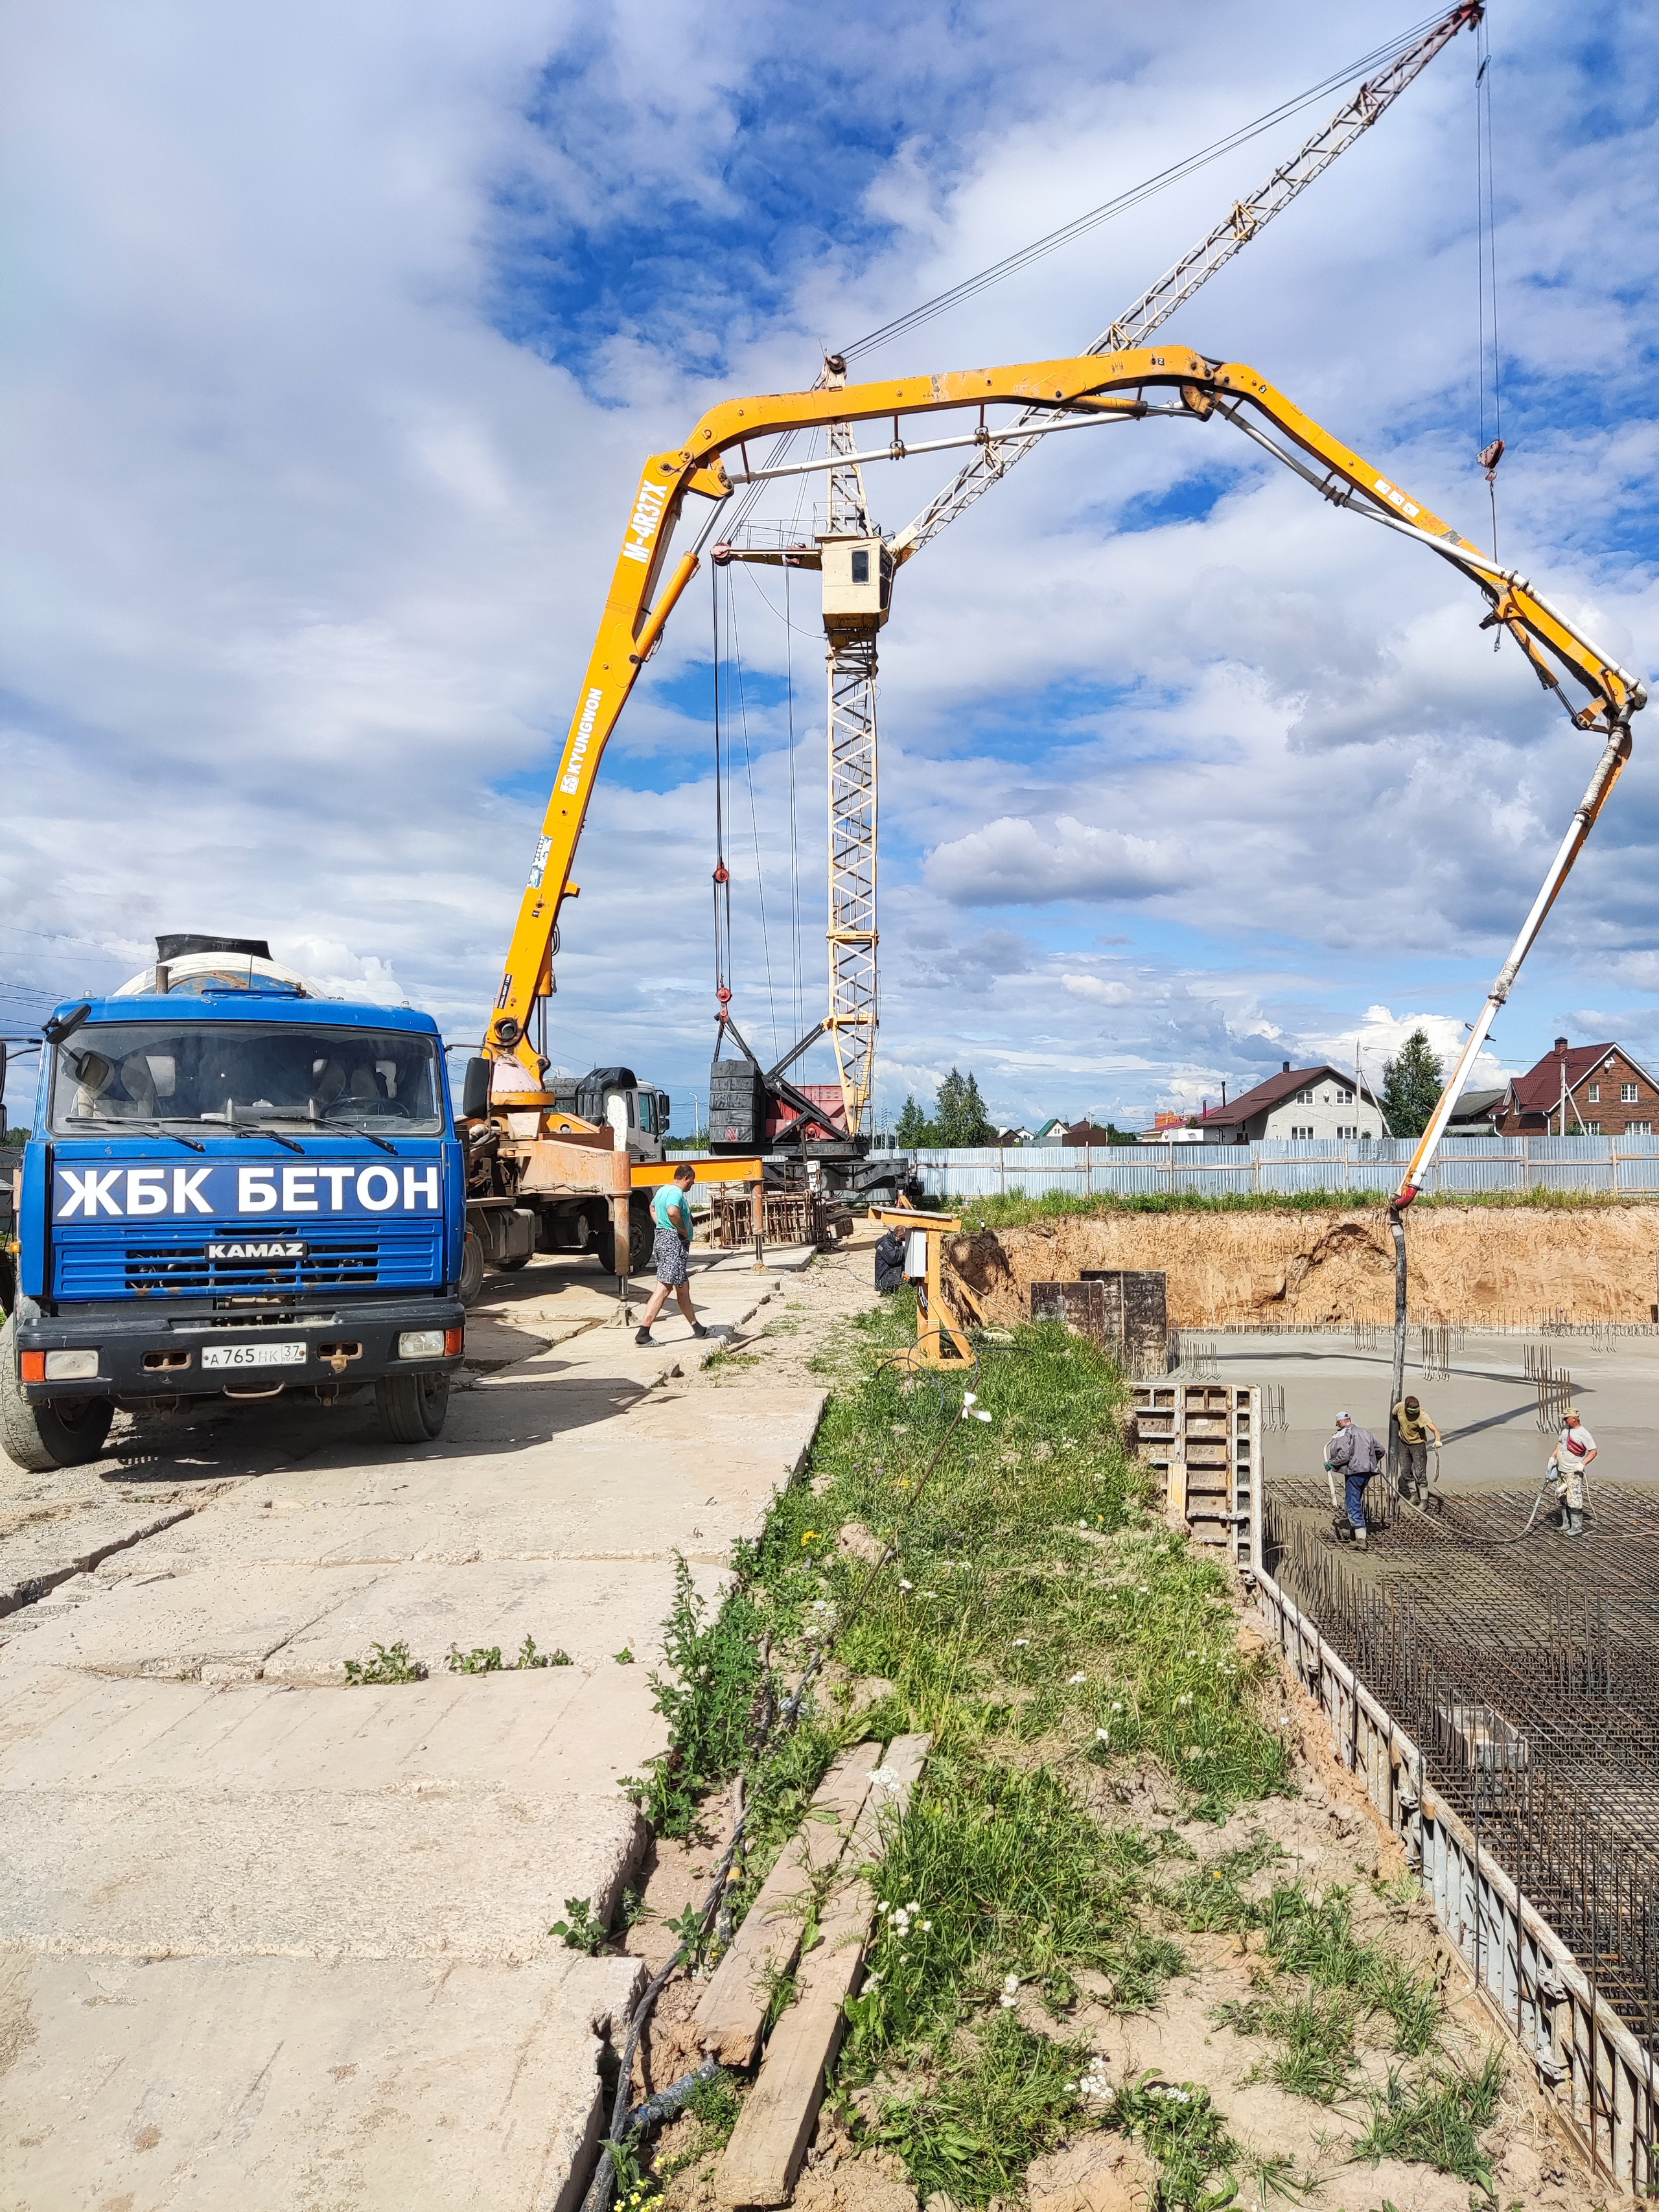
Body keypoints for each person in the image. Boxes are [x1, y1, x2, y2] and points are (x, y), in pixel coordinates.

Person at [635, 1163, 708, 1347]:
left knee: (682, 1288)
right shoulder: (676, 1193)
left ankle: (697, 1328)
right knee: (665, 1287)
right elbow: (672, 1211)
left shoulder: (662, 1191)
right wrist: (681, 1230)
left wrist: (661, 1225)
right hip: (673, 1243)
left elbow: (652, 1207)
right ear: (687, 1178)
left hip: (664, 1239)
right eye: (693, 1180)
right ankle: (644, 1333)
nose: (693, 1184)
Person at [1326, 1409, 1384, 1546]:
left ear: (1340, 1422)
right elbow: (1381, 1450)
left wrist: (1331, 1464)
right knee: (1356, 1498)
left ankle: (1360, 1538)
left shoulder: (1344, 1434)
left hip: (1355, 1472)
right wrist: (1370, 1462)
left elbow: (1344, 1455)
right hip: (1367, 1472)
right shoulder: (1365, 1432)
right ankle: (1355, 1530)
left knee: (1353, 1502)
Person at [1546, 1406, 1597, 1537]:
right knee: (1562, 1497)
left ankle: (1576, 1527)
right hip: (1561, 1470)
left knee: (1574, 1498)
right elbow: (1561, 1444)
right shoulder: (1565, 1430)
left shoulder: (1584, 1434)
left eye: (1566, 1418)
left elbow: (1593, 1452)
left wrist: (1582, 1464)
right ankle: (1566, 1524)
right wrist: (1553, 1457)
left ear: (1574, 1418)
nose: (1564, 1420)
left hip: (1573, 1472)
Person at [1391, 1393, 1443, 1499]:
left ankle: (1424, 1500)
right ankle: (1414, 1494)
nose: (1413, 1413)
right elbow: (1394, 1417)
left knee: (1420, 1473)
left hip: (1418, 1445)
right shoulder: (1399, 1408)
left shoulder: (1422, 1415)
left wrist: (1437, 1441)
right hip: (1404, 1444)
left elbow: (1435, 1430)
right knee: (1405, 1470)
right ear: (1406, 1407)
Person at [874, 1223, 908, 1294]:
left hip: (889, 1275)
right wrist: (903, 1248)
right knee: (899, 1263)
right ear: (899, 1237)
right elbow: (894, 1259)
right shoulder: (885, 1243)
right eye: (903, 1238)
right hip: (884, 1279)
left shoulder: (894, 1241)